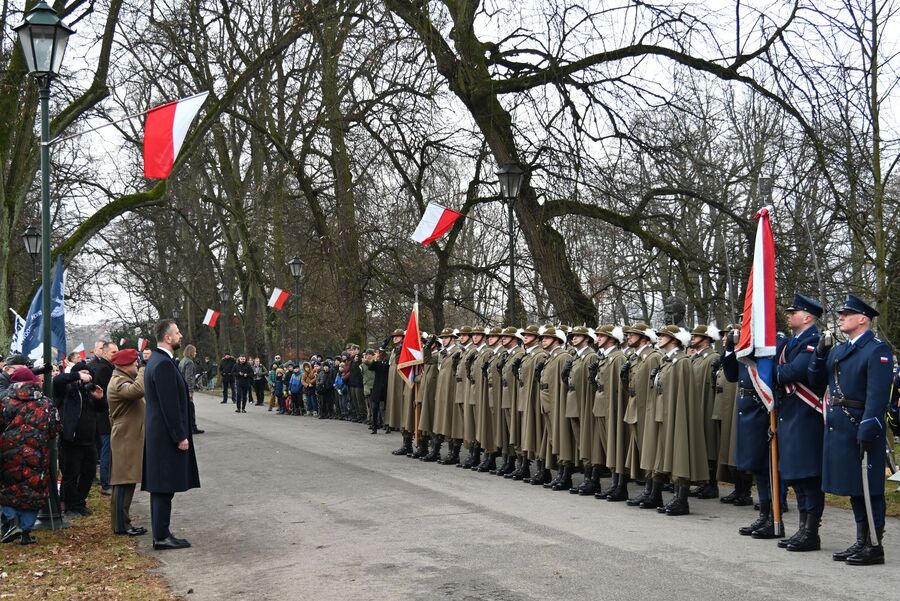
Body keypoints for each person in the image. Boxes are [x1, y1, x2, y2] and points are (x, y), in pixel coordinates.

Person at [809, 294, 893, 566]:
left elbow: (878, 394)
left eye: (847, 314)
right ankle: (861, 540)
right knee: (854, 486)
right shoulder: (839, 349)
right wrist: (820, 352)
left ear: (863, 319)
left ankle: (874, 544)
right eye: (842, 314)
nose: (841, 317)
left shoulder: (876, 349)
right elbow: (816, 380)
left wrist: (870, 426)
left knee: (870, 487)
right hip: (840, 426)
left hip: (861, 424)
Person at [142, 319, 200, 550]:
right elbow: (169, 405)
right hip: (165, 436)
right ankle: (161, 536)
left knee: (163, 487)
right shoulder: (163, 364)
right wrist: (180, 436)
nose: (180, 335)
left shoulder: (158, 361)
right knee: (164, 486)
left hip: (160, 434)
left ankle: (162, 532)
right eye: (177, 333)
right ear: (167, 338)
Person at [775, 294, 824, 552]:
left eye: (793, 312)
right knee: (796, 476)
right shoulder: (791, 343)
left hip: (806, 416)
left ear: (807, 317)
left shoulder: (813, 341)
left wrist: (774, 373)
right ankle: (803, 528)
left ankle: (811, 531)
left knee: (809, 476)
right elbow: (783, 368)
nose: (788, 315)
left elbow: (797, 371)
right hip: (791, 414)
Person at [0, 368, 60, 545]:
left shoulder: (4, 401)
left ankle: (12, 521)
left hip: (6, 452)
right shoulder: (45, 403)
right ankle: (26, 533)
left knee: (6, 488)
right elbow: (55, 428)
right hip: (36, 453)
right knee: (33, 491)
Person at [54, 360, 105, 516]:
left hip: (89, 440)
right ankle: (69, 505)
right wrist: (76, 375)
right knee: (71, 474)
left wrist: (100, 398)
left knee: (89, 473)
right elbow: (57, 380)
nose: (87, 377)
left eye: (89, 374)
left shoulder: (90, 391)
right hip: (71, 440)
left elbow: (101, 410)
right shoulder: (67, 389)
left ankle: (80, 502)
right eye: (85, 374)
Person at [107, 348, 148, 536]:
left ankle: (123, 522)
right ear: (125, 366)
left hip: (128, 436)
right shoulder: (119, 382)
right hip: (125, 437)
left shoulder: (121, 379)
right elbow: (138, 391)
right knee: (123, 481)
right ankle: (121, 524)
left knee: (128, 479)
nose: (137, 366)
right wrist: (143, 372)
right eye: (134, 364)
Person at [88, 340, 117, 496]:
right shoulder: (104, 370)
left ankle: (107, 480)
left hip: (103, 415)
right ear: (104, 353)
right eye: (113, 352)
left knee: (107, 449)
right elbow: (108, 396)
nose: (116, 354)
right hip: (105, 416)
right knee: (107, 450)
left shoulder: (105, 367)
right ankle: (106, 483)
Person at [177, 345, 204, 434]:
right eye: (195, 351)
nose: (196, 353)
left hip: (182, 387)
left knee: (186, 409)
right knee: (190, 408)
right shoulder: (189, 362)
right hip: (186, 389)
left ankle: (188, 427)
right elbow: (189, 378)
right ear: (191, 352)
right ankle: (193, 428)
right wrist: (190, 391)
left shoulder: (182, 361)